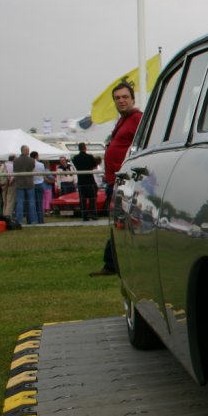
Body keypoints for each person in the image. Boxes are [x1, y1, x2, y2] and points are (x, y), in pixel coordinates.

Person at [91, 79, 143, 276]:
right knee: (119, 222)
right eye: (117, 98)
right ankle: (113, 262)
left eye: (124, 97)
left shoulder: (137, 118)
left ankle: (112, 263)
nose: (121, 101)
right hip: (116, 180)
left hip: (127, 180)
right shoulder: (122, 120)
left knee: (122, 222)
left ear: (132, 99)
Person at [73, 142, 99, 221]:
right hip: (90, 180)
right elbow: (94, 165)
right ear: (85, 148)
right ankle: (93, 214)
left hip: (81, 180)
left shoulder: (75, 158)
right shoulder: (90, 157)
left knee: (82, 200)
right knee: (92, 199)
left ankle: (84, 215)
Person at [12, 145, 38, 225]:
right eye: (28, 150)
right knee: (31, 202)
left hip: (19, 183)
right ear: (26, 151)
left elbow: (15, 170)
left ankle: (19, 220)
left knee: (19, 202)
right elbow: (32, 169)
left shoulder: (15, 160)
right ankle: (33, 220)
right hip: (29, 182)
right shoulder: (32, 160)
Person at [30, 151, 47, 224]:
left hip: (32, 184)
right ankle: (40, 219)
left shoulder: (29, 164)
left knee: (32, 203)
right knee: (40, 203)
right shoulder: (41, 164)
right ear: (36, 156)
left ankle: (34, 219)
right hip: (40, 183)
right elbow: (43, 174)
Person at [0, 155, 14, 222]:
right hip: (11, 184)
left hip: (3, 184)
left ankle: (3, 216)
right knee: (10, 201)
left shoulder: (3, 165)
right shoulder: (14, 165)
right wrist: (11, 181)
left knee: (4, 201)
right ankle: (7, 217)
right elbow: (13, 175)